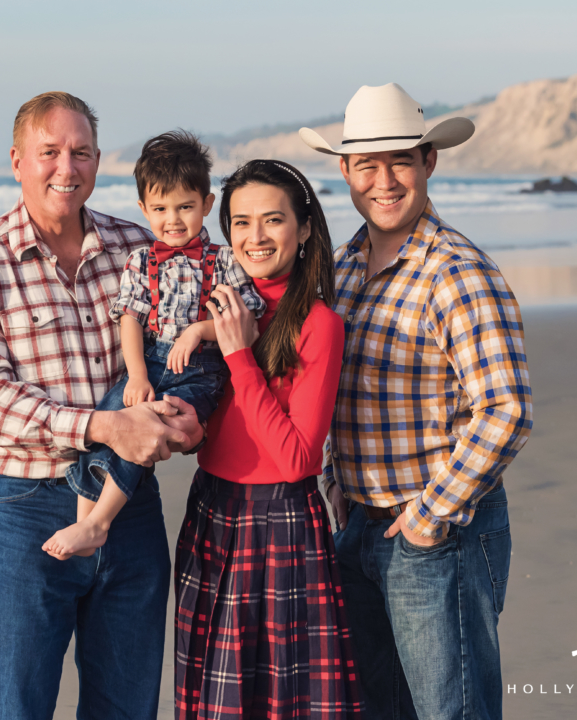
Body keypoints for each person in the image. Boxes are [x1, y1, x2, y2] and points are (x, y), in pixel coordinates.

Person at [0, 92, 203, 720]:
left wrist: (189, 419)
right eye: (50, 152)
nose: (67, 167)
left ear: (98, 160)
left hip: (129, 506)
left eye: (80, 152)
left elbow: (177, 357)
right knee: (14, 704)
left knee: (127, 703)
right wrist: (102, 425)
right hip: (28, 507)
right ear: (17, 160)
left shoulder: (139, 248)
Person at [299, 83, 533, 719]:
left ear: (429, 161)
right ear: (344, 170)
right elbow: (335, 393)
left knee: (451, 711)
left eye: (400, 160)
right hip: (359, 530)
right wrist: (334, 480)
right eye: (367, 165)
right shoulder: (340, 270)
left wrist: (431, 516)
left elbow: (506, 409)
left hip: (438, 536)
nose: (384, 180)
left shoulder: (457, 270)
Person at [174, 160, 361, 719]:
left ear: (304, 229)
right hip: (211, 511)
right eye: (240, 222)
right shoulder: (220, 304)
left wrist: (238, 354)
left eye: (273, 220)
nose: (255, 238)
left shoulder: (319, 322)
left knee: (281, 705)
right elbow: (211, 428)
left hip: (280, 524)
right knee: (211, 698)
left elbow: (299, 458)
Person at [42, 130, 264, 560]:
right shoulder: (140, 261)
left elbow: (248, 325)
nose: (174, 219)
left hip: (200, 373)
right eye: (160, 209)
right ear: (144, 209)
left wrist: (199, 330)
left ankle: (99, 522)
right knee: (111, 415)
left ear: (207, 203)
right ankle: (86, 519)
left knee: (151, 427)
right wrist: (138, 375)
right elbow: (130, 320)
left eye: (185, 207)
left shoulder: (224, 262)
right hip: (150, 363)